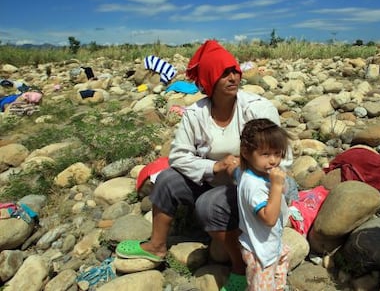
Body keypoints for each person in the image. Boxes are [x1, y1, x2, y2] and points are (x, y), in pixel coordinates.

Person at [116, 39, 296, 291]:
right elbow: (178, 156)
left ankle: (239, 266)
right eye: (224, 73)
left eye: (234, 70)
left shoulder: (258, 108)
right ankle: (156, 246)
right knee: (166, 179)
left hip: (250, 185)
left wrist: (242, 170)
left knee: (208, 204)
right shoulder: (196, 113)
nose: (233, 77)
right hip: (213, 178)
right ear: (210, 79)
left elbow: (282, 157)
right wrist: (215, 168)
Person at [233, 118, 291, 291]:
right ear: (246, 152)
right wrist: (277, 185)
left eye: (278, 153)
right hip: (260, 253)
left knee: (278, 282)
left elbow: (235, 170)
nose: (273, 161)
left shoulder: (248, 171)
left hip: (271, 245)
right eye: (265, 154)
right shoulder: (254, 186)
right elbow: (269, 218)